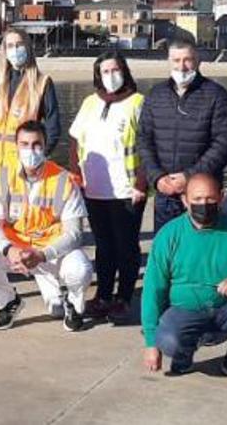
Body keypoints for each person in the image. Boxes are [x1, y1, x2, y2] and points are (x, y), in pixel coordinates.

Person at [140, 173, 227, 386]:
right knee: (167, 340)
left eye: (210, 199)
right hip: (184, 309)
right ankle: (183, 355)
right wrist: (150, 342)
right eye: (197, 200)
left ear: (221, 198)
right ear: (185, 200)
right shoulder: (169, 234)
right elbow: (153, 289)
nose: (204, 204)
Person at [0, 120, 92, 332]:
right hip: (15, 252)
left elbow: (74, 233)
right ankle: (8, 303)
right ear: (16, 146)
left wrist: (42, 254)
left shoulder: (64, 180)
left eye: (36, 144)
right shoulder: (0, 177)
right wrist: (9, 249)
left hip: (50, 252)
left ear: (45, 146)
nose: (31, 150)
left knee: (80, 269)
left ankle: (72, 303)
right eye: (24, 144)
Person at [68, 51, 147, 324]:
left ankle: (123, 296)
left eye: (115, 70)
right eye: (105, 71)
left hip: (126, 189)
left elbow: (147, 145)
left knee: (126, 245)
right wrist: (76, 173)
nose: (111, 76)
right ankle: (103, 293)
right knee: (103, 245)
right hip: (94, 188)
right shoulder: (91, 102)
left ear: (124, 71)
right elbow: (75, 139)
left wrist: (141, 182)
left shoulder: (137, 102)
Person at [140, 39, 227, 230]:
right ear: (169, 62)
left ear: (198, 61)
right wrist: (157, 178)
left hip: (203, 196)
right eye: (176, 60)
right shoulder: (155, 95)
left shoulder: (216, 95)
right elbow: (143, 139)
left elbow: (224, 143)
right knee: (167, 250)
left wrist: (189, 177)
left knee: (204, 253)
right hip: (165, 193)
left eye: (187, 60)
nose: (182, 66)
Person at [0, 28, 60, 189]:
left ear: (28, 48)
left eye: (19, 45)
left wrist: (38, 158)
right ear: (4, 50)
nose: (15, 50)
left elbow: (53, 128)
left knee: (20, 214)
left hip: (21, 168)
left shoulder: (41, 83)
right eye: (10, 46)